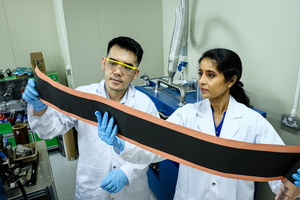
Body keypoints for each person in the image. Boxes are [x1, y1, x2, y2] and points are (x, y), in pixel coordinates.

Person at [97, 48, 300, 200]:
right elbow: (156, 147)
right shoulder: (186, 115)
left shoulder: (252, 121)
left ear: (231, 80)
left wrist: (290, 185)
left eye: (211, 75)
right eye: (201, 73)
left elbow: (278, 167)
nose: (202, 80)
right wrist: (122, 145)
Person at [22, 36, 159, 200]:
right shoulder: (83, 96)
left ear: (136, 73)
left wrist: (126, 173)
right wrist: (39, 107)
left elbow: (152, 150)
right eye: (112, 63)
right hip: (92, 187)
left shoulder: (145, 105)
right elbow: (48, 131)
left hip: (131, 191)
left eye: (127, 67)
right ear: (103, 63)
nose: (117, 71)